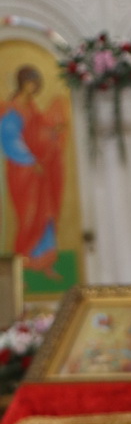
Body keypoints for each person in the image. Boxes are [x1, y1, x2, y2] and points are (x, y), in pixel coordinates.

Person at [0, 64, 68, 278]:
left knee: (46, 215)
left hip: (38, 173)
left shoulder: (31, 108)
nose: (34, 88)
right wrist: (30, 161)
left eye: (36, 84)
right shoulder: (12, 109)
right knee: (28, 217)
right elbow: (9, 140)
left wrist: (53, 132)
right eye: (31, 83)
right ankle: (21, 266)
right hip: (23, 173)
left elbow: (39, 134)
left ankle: (44, 262)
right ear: (23, 83)